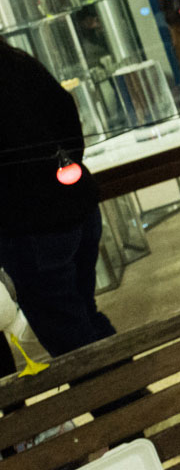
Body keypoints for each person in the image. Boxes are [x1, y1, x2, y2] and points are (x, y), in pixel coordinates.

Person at [0, 38, 117, 382]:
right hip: (73, 205)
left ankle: (126, 419)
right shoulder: (16, 60)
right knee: (83, 316)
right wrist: (65, 170)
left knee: (69, 336)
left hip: (33, 225)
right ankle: (132, 407)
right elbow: (65, 110)